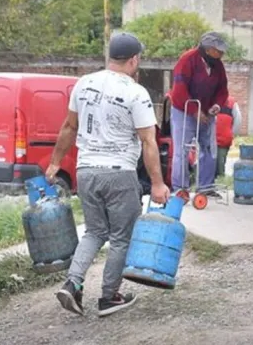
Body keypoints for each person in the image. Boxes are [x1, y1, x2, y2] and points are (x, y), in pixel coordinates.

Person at [46, 32, 170, 318]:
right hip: (119, 173)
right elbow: (149, 142)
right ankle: (108, 297)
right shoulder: (136, 92)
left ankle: (73, 283)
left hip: (86, 171)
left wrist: (55, 163)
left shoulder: (84, 83)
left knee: (94, 232)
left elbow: (68, 127)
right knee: (121, 238)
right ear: (134, 59)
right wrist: (158, 182)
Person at [170, 32, 229, 196]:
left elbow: (223, 89)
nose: (222, 54)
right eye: (219, 50)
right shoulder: (187, 60)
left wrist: (217, 105)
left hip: (208, 112)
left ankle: (206, 187)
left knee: (209, 149)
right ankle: (180, 189)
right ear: (208, 49)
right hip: (184, 110)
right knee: (182, 149)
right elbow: (179, 90)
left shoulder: (218, 65)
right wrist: (195, 111)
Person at [214, 95, 242, 177]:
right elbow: (238, 120)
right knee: (219, 164)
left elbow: (238, 120)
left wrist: (231, 134)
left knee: (216, 166)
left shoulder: (230, 102)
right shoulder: (231, 102)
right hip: (221, 139)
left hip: (220, 139)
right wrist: (231, 134)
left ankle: (217, 183)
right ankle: (217, 180)